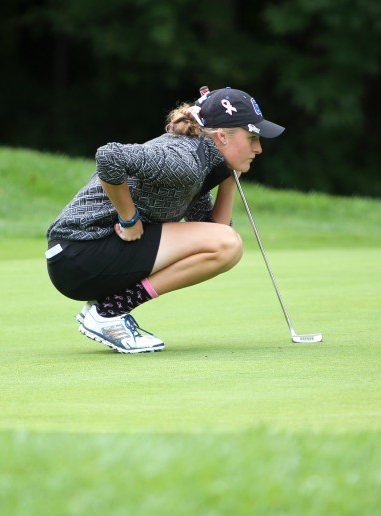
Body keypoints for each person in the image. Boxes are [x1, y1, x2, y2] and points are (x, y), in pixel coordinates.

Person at [45, 86, 285, 353]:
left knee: (227, 245)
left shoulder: (204, 163)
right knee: (229, 244)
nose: (259, 148)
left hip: (86, 257)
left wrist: (228, 180)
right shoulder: (184, 159)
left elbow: (211, 232)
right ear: (222, 137)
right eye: (252, 137)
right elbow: (108, 156)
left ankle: (110, 310)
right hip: (79, 252)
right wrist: (129, 218)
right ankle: (109, 313)